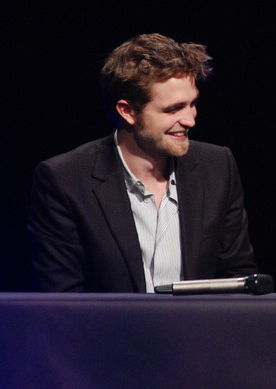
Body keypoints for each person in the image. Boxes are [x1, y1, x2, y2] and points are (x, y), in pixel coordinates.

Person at [27, 33, 258, 292]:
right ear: (128, 111)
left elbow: (238, 279)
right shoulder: (65, 180)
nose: (190, 120)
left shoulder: (217, 166)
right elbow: (62, 298)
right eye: (173, 109)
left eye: (192, 104)